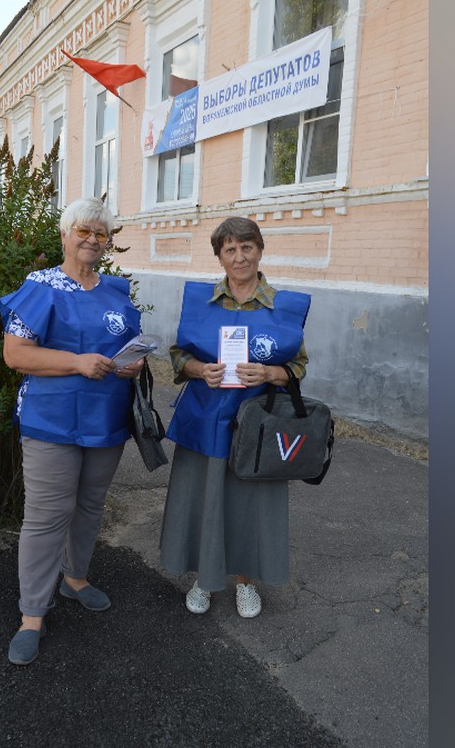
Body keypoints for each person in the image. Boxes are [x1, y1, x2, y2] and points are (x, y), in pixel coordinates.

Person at [0, 197, 144, 665]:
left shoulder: (116, 290)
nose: (92, 240)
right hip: (52, 420)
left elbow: (128, 347)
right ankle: (32, 614)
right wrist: (76, 362)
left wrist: (133, 364)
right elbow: (16, 354)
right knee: (46, 516)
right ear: (65, 235)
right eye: (83, 230)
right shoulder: (41, 287)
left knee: (89, 505)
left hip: (106, 419)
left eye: (101, 234)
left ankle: (75, 577)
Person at [159, 216, 310, 618]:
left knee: (251, 502)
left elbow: (298, 366)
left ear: (259, 250)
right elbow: (179, 356)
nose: (239, 257)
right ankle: (204, 578)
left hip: (259, 424)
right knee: (204, 498)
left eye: (247, 247)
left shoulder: (284, 307)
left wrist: (270, 373)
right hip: (205, 418)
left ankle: (246, 581)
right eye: (230, 249)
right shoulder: (201, 301)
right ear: (220, 256)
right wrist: (199, 370)